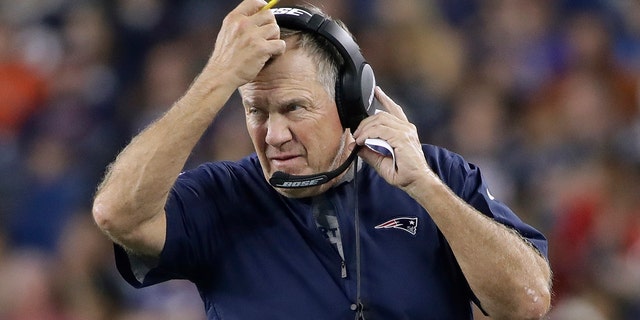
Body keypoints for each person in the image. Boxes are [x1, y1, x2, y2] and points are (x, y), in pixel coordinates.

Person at [92, 0, 552, 319]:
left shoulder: (439, 176)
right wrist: (218, 75)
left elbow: (528, 302)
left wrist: (428, 191)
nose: (273, 134)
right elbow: (117, 213)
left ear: (353, 103)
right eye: (257, 111)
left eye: (293, 108)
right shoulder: (220, 196)